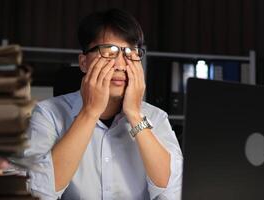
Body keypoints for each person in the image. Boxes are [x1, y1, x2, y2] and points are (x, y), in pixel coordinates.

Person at [23, 8, 183, 200]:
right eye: (108, 52)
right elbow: (38, 191)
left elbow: (172, 191)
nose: (121, 65)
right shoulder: (47, 114)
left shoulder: (156, 117)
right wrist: (89, 112)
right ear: (83, 62)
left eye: (130, 53)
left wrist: (134, 114)